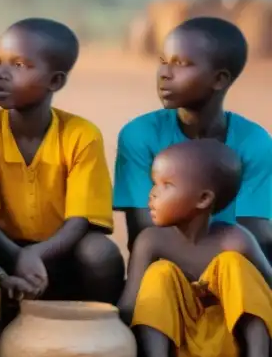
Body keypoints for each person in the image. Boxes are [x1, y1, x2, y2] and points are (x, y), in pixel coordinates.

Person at [0, 18, 124, 304]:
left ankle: (100, 328)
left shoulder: (81, 135)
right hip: (1, 249)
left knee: (100, 253)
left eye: (19, 65)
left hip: (62, 251)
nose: (2, 74)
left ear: (55, 81)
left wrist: (36, 254)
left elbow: (80, 220)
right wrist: (18, 255)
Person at [116, 139, 272, 357]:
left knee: (232, 263)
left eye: (166, 185)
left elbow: (268, 292)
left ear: (203, 199)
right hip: (182, 349)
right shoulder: (152, 240)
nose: (152, 194)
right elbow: (131, 304)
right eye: (154, 183)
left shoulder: (235, 240)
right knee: (160, 273)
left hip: (232, 347)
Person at [114, 17, 272, 259]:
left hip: (234, 263)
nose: (165, 73)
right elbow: (144, 230)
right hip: (164, 263)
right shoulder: (140, 134)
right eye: (163, 61)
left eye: (182, 64)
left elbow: (255, 233)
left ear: (220, 79)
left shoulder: (253, 141)